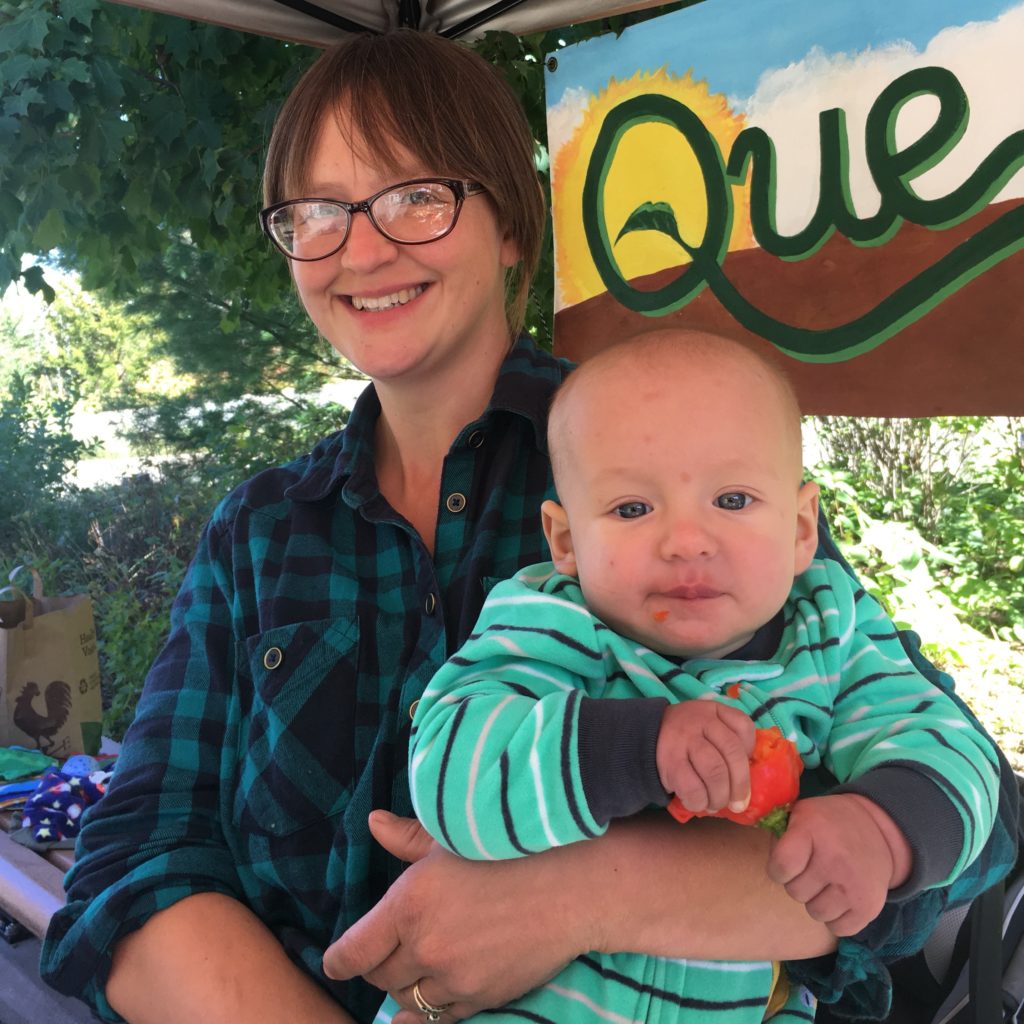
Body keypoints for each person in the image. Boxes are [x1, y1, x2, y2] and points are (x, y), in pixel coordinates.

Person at [37, 28, 1018, 1024]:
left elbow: (972, 829)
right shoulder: (256, 535)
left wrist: (572, 896)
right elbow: (135, 864)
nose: (363, 247)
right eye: (319, 209)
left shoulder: (674, 453)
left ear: (512, 223)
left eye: (417, 196)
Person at [384, 330, 1000, 1024]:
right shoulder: (551, 625)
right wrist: (634, 749)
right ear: (564, 541)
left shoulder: (832, 634)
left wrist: (881, 827)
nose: (686, 541)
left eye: (732, 500)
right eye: (632, 509)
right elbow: (447, 770)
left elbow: (952, 751)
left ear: (802, 527)